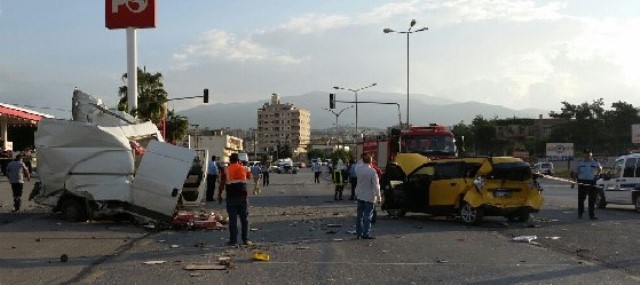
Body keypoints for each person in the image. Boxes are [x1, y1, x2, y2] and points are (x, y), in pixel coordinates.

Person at [218, 153, 252, 246]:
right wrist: (241, 166)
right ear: (238, 160)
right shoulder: (245, 168)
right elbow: (249, 176)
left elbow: (222, 183)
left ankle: (233, 241)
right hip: (242, 198)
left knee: (233, 220)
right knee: (244, 220)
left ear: (230, 160)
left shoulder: (225, 169)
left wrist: (219, 195)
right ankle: (246, 240)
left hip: (231, 198)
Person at [354, 154, 381, 240]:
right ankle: (366, 233)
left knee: (359, 215)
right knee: (367, 216)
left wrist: (363, 158)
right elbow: (376, 186)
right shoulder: (372, 171)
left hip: (360, 194)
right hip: (369, 196)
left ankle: (358, 233)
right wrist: (379, 197)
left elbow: (358, 163)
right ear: (371, 161)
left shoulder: (358, 169)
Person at [575, 149, 602, 220]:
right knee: (581, 199)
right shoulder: (580, 163)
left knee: (592, 199)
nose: (588, 156)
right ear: (583, 155)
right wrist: (574, 181)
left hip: (592, 182)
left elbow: (600, 169)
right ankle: (580, 213)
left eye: (589, 155)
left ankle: (591, 215)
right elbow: (576, 172)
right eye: (586, 154)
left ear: (591, 155)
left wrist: (597, 175)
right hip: (582, 182)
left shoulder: (595, 162)